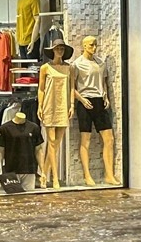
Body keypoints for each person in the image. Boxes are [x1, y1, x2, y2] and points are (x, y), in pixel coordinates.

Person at [71, 35, 118, 185]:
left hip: (99, 100)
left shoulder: (100, 63)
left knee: (109, 138)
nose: (94, 48)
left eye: (95, 45)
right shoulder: (77, 64)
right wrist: (81, 99)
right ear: (84, 46)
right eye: (91, 45)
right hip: (84, 101)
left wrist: (106, 96)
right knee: (86, 139)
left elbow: (103, 82)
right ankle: (87, 175)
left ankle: (109, 174)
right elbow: (71, 87)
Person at [37, 38, 74, 189]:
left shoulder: (69, 68)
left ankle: (44, 175)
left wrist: (72, 105)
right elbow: (41, 88)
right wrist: (39, 106)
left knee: (56, 144)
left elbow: (72, 87)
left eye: (62, 49)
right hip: (49, 105)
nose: (60, 51)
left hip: (63, 106)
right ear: (52, 50)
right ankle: (55, 178)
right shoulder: (45, 68)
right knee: (51, 142)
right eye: (57, 48)